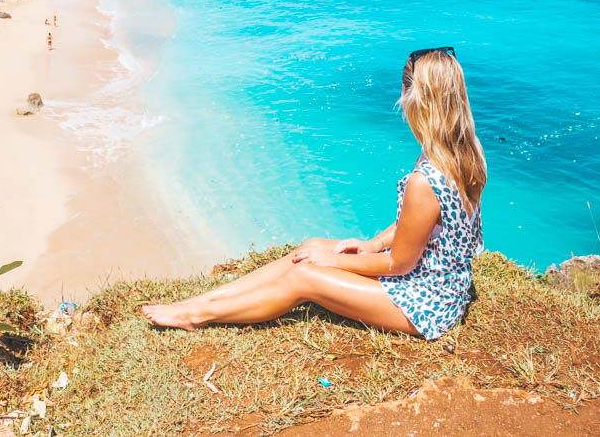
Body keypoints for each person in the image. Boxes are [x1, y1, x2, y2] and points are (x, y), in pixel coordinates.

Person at [142, 47, 486, 340]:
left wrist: (337, 261)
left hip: (425, 305)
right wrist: (369, 245)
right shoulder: (462, 153)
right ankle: (198, 302)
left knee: (305, 276)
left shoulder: (424, 180)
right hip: (441, 287)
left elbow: (400, 263)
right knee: (310, 248)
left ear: (416, 98)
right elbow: (416, 226)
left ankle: (197, 316)